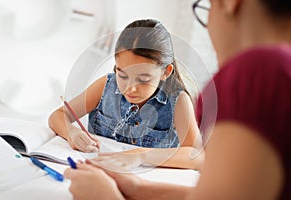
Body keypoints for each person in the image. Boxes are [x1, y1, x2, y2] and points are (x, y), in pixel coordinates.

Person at [63, 0, 291, 199]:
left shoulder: (261, 73)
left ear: (231, 2)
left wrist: (104, 196)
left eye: (207, 7)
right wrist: (138, 187)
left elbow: (197, 157)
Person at [48, 19, 204, 170]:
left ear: (165, 72)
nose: (130, 88)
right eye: (122, 75)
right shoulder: (105, 86)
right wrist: (72, 133)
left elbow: (197, 154)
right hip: (96, 171)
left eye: (143, 79)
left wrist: (142, 155)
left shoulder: (178, 101)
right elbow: (58, 115)